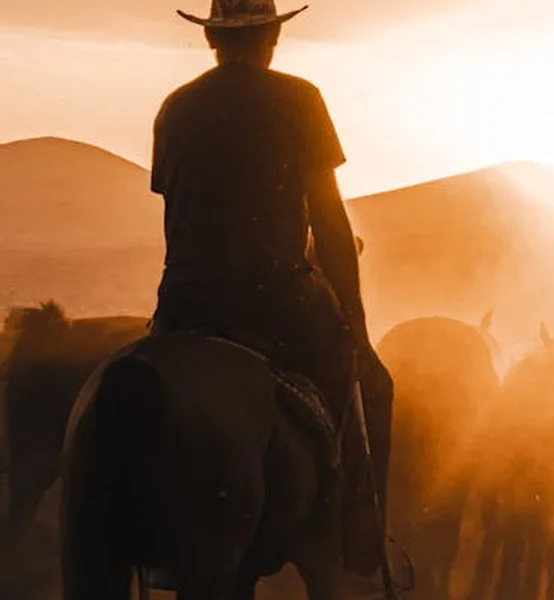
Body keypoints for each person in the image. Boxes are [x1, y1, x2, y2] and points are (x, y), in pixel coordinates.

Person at [149, 0, 393, 581]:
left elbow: (177, 211)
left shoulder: (174, 108)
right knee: (374, 387)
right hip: (275, 297)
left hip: (182, 304)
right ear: (271, 40)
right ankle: (359, 543)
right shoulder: (298, 99)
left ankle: (154, 545)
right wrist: (354, 325)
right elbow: (329, 220)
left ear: (212, 41)